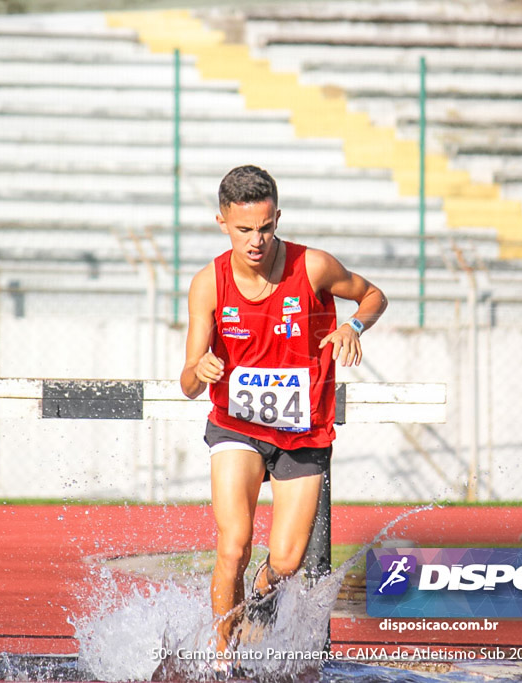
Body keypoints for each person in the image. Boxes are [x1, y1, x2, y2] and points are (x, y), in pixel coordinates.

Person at [179, 165, 386, 666]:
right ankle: (219, 656)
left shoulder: (312, 266)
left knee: (288, 561)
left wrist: (353, 325)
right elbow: (187, 382)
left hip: (303, 432)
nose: (256, 241)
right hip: (237, 427)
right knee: (235, 543)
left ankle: (254, 607)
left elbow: (373, 294)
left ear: (278, 219)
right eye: (244, 229)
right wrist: (200, 369)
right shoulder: (208, 283)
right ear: (222, 222)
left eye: (266, 228)